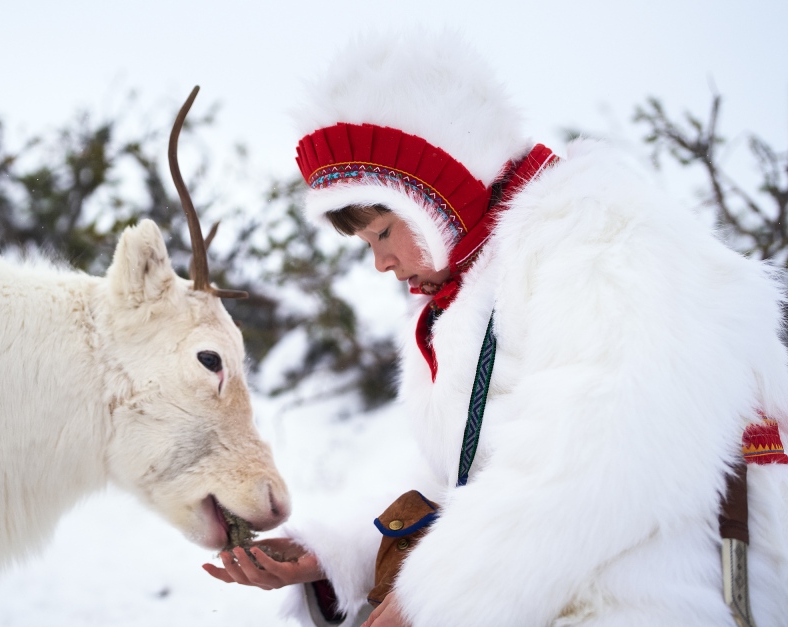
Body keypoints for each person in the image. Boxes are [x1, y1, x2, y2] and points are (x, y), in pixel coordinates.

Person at [204, 32, 788, 627]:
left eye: (383, 232)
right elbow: (467, 476)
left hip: (652, 594)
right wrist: (338, 553)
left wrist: (436, 595)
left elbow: (600, 456)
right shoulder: (473, 290)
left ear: (436, 186)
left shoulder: (597, 234)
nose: (380, 262)